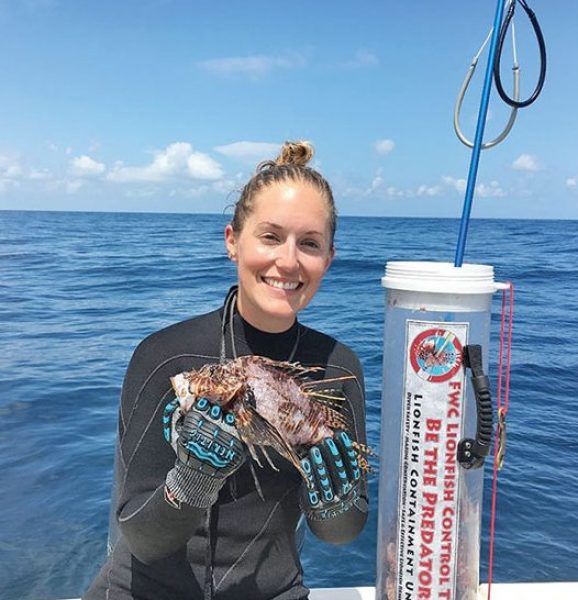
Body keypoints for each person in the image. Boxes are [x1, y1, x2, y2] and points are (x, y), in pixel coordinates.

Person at [83, 141, 369, 600]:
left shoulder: (338, 370)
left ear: (328, 259)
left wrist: (336, 498)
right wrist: (193, 479)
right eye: (270, 237)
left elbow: (339, 533)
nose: (288, 261)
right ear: (233, 241)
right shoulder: (165, 355)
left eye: (309, 244)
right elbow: (140, 539)